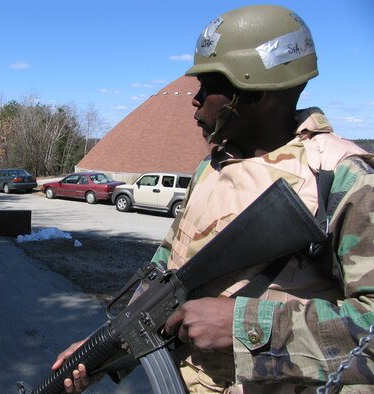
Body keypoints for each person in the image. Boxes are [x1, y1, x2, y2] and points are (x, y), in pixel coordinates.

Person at [52, 4, 374, 393]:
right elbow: (165, 273)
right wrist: (101, 348)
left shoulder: (340, 178)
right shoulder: (211, 168)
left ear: (256, 92)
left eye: (209, 85)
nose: (195, 98)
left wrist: (244, 325)